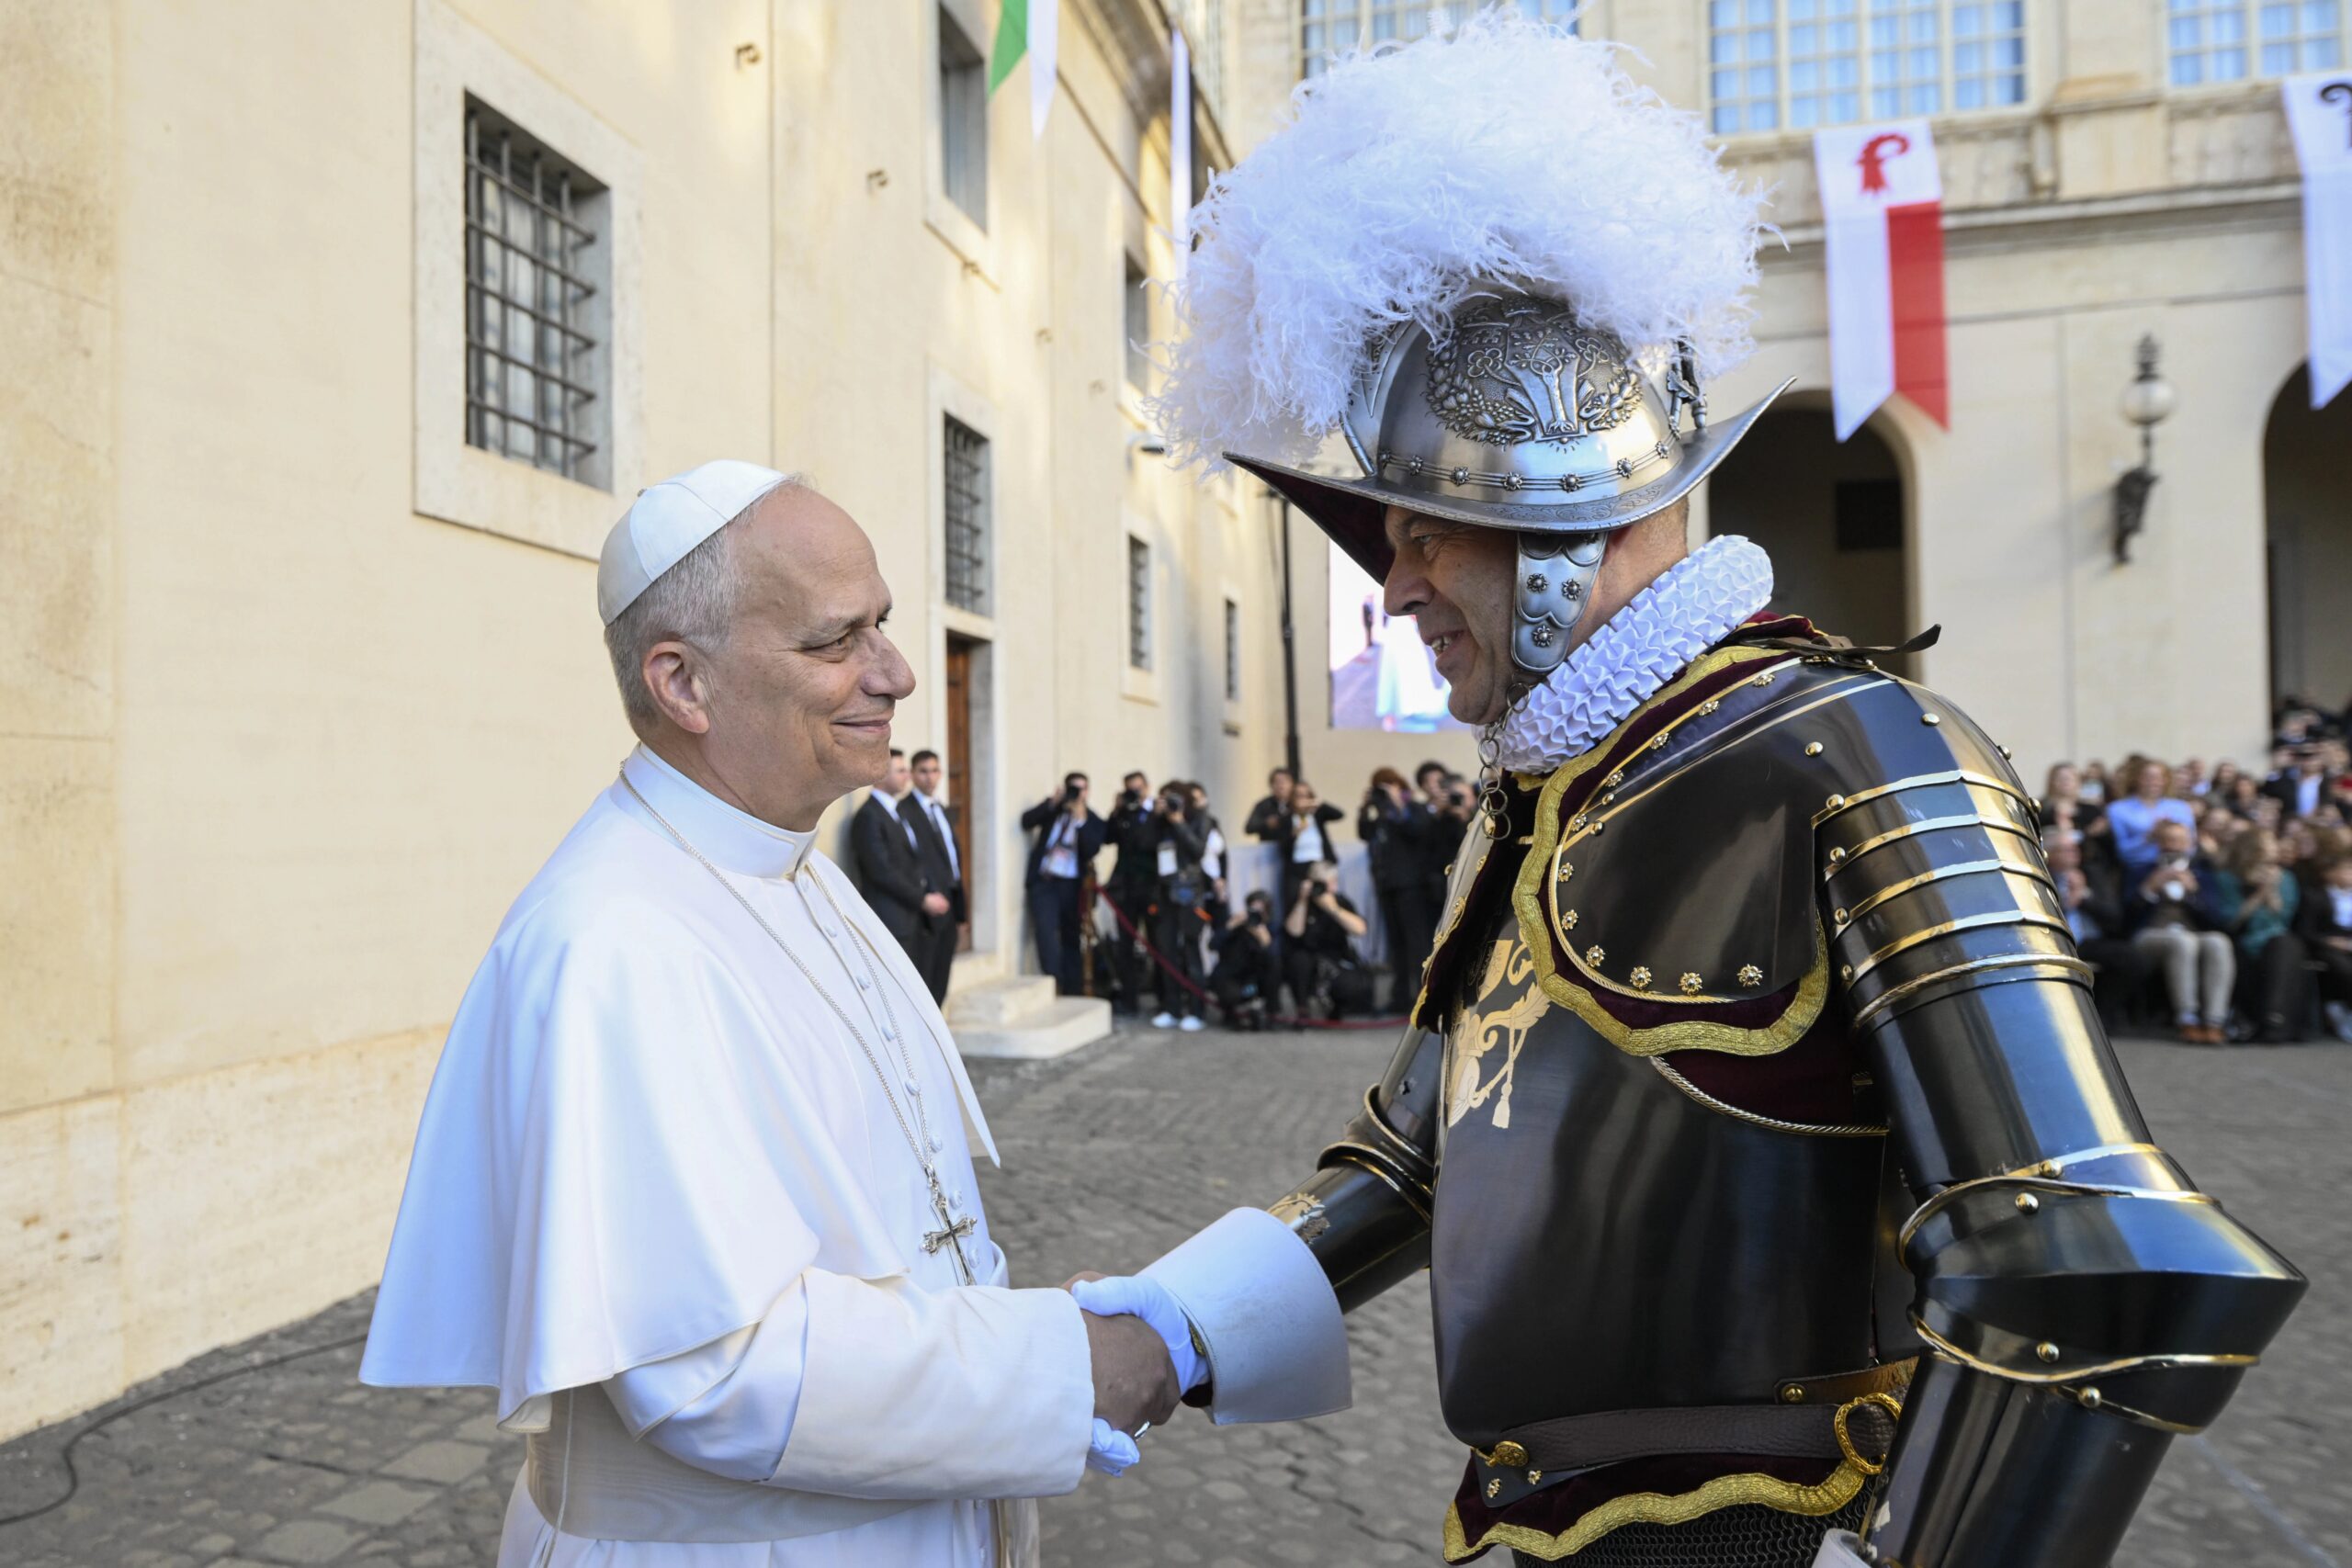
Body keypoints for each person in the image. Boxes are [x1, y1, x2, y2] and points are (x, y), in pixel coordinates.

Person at [1087, 23, 2303, 1568]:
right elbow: (1416, 1152)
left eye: (1420, 534)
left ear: (1558, 519)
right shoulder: (1541, 791)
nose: (1394, 589)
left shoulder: (1863, 753)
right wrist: (1165, 1331)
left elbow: (2089, 1259)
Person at [359, 461, 1183, 1568]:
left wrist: (1013, 1326)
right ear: (683, 684)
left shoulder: (798, 871)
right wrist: (1065, 1361)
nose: (895, 672)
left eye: (882, 623)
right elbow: (716, 1369)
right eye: (836, 640)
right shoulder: (617, 940)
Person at [2128, 818, 2235, 1043]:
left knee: (2219, 941)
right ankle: (2187, 1018)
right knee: (2183, 942)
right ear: (2159, 843)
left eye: (2178, 840)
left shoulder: (2203, 875)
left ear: (2190, 844)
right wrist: (2149, 889)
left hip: (2192, 931)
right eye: (2167, 840)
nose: (2173, 846)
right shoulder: (2140, 871)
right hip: (2151, 934)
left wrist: (2193, 894)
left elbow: (2216, 919)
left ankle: (2215, 1020)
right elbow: (2124, 917)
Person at [851, 748, 947, 977]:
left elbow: (914, 859)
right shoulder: (869, 816)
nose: (908, 775)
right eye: (901, 770)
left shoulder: (896, 811)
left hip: (911, 918)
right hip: (891, 920)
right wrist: (922, 899)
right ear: (880, 775)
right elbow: (881, 871)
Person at [2044, 829, 2148, 1033]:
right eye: (2065, 850)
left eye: (2075, 849)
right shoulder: (2042, 877)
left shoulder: (2092, 874)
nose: (2073, 854)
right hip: (2056, 940)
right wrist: (2065, 900)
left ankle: (2103, 1015)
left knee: (2133, 959)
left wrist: (2084, 897)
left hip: (2089, 941)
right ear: (2049, 854)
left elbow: (2113, 915)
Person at [2215, 826, 2309, 1043]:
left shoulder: (2286, 878)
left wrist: (2272, 891)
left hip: (2274, 939)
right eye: (2270, 842)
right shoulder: (2227, 878)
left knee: (2285, 946)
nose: (2275, 847)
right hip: (2242, 938)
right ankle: (2260, 1018)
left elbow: (2282, 917)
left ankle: (2274, 1017)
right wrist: (2258, 894)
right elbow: (2231, 920)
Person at [1021, 773, 1105, 997]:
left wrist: (1080, 821)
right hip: (1045, 881)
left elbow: (1092, 849)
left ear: (1088, 792)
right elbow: (1026, 821)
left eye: (1081, 789)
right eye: (1073, 788)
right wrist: (1053, 802)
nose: (1077, 794)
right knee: (1045, 931)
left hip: (1072, 886)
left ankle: (1072, 988)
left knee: (1071, 936)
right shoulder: (1053, 811)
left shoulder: (1092, 820)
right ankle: (1053, 981)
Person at [1359, 766, 1436, 1010]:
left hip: (1410, 885)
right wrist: (1365, 808)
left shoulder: (1414, 808)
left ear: (1399, 785)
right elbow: (1365, 833)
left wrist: (1397, 804)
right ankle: (1400, 996)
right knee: (1396, 943)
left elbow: (1416, 831)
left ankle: (1423, 994)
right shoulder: (1381, 815)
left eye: (1388, 786)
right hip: (1387, 885)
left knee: (1416, 942)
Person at [1144, 781, 1212, 1032]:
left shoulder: (1200, 819)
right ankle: (1172, 1008)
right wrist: (1154, 817)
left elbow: (1197, 850)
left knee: (1191, 952)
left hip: (1189, 893)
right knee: (1167, 953)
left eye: (1172, 799)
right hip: (1164, 894)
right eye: (1164, 800)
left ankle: (1196, 1010)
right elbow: (1144, 844)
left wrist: (1179, 822)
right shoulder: (1159, 823)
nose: (1169, 805)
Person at [907, 749, 967, 1003]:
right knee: (925, 979)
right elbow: (912, 860)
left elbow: (952, 858)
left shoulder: (940, 808)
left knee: (942, 976)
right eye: (923, 771)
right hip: (927, 906)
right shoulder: (905, 810)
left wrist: (961, 910)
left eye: (934, 771)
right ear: (912, 774)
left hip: (950, 900)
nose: (929, 777)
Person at [1283, 860, 1373, 1020]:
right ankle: (1303, 1008)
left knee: (1352, 983)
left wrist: (1333, 909)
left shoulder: (1340, 901)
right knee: (1299, 961)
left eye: (1330, 883)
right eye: (1321, 884)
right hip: (1308, 959)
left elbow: (1360, 929)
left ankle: (1336, 1008)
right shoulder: (1301, 902)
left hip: (1335, 960)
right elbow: (1293, 932)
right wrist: (1302, 901)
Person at [1103, 772, 1160, 1017]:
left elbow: (1150, 843)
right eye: (1130, 790)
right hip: (1126, 890)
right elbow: (1107, 838)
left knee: (1157, 943)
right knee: (1125, 946)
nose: (1135, 794)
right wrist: (1116, 811)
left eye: (1138, 789)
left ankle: (1164, 998)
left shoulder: (1157, 813)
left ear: (1147, 787)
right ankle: (1129, 1000)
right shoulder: (1124, 814)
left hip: (1151, 888)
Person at [2105, 758, 2198, 884]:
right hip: (2140, 869)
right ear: (2137, 779)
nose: (2154, 782)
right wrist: (2149, 837)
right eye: (2148, 777)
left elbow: (2192, 843)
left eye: (2159, 778)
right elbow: (2123, 852)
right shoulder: (2118, 809)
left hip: (2180, 867)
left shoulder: (2180, 807)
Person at [2297, 853, 2352, 1043]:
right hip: (2326, 947)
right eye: (2347, 869)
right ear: (2329, 873)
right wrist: (2329, 942)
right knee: (2344, 967)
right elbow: (2305, 931)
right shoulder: (2315, 897)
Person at [1208, 890, 1283, 1029]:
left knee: (1275, 966)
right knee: (1229, 990)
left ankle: (1271, 1013)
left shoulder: (1272, 928)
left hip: (1258, 978)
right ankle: (1231, 1012)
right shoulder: (1237, 927)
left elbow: (1275, 958)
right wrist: (1230, 926)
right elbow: (1212, 945)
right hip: (1234, 976)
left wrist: (1265, 940)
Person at [1271, 779, 1345, 910]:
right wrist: (1295, 834)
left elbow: (1339, 814)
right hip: (1297, 869)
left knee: (1327, 902)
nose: (1303, 800)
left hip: (1321, 866)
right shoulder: (1287, 819)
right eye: (1299, 796)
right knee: (1297, 902)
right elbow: (1283, 849)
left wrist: (1318, 803)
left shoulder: (1317, 815)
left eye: (1306, 796)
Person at [1244, 767, 1295, 842]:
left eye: (1284, 782)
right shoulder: (1264, 805)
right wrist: (1266, 823)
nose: (1281, 786)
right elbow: (1249, 827)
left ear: (1292, 784)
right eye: (1277, 782)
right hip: (1270, 844)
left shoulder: (1296, 804)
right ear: (1271, 785)